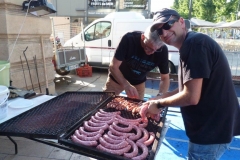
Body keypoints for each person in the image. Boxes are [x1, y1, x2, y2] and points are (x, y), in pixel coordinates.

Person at [139, 8, 240, 159]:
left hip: (210, 133)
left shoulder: (195, 45)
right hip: (215, 128)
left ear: (181, 22)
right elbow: (188, 87)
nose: (164, 33)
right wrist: (162, 96)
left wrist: (159, 104)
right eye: (159, 32)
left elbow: (191, 96)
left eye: (167, 25)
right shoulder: (192, 43)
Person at [103, 26, 170, 100]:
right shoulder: (129, 39)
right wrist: (126, 85)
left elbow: (165, 78)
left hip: (138, 82)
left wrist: (160, 95)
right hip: (117, 78)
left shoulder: (162, 50)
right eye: (148, 48)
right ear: (143, 37)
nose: (151, 53)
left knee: (137, 108)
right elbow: (113, 66)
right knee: (105, 102)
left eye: (155, 50)